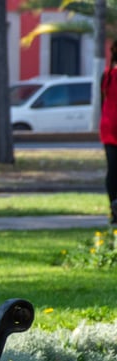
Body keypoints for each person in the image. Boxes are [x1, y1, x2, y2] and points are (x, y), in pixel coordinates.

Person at [101, 41, 117, 225]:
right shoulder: (108, 75)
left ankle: (114, 208)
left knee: (112, 170)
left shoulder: (107, 75)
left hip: (108, 126)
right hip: (111, 126)